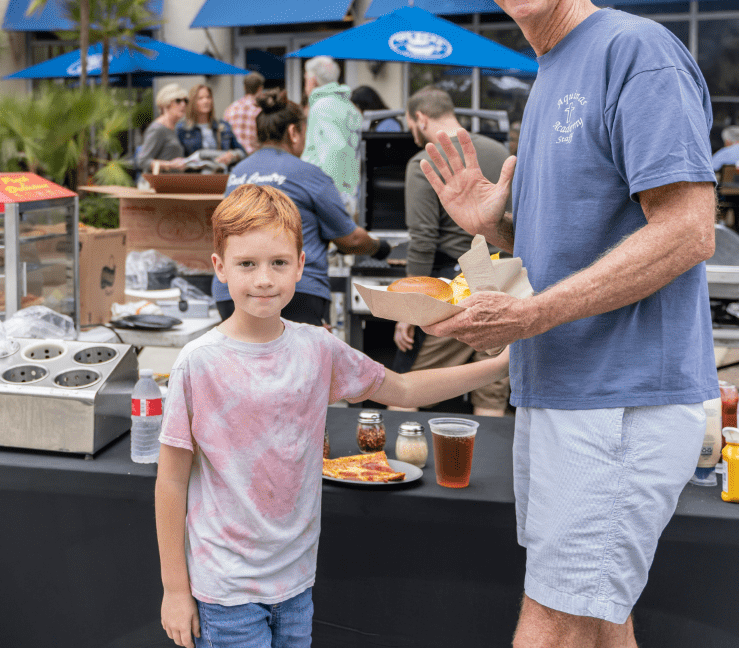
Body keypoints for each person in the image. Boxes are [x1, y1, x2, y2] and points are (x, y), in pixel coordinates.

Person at [422, 0, 717, 647]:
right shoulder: (552, 72)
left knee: (551, 618)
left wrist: (531, 315)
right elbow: (571, 257)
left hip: (618, 402)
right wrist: (493, 233)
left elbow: (687, 232)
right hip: (569, 395)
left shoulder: (634, 51)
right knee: (596, 615)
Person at [155, 183, 509, 648]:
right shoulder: (197, 362)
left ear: (302, 266)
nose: (264, 279)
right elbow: (171, 481)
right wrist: (175, 591)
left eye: (278, 263)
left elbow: (402, 387)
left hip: (297, 584)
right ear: (220, 268)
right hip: (226, 590)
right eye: (247, 264)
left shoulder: (317, 348)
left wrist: (502, 365)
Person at [213, 90, 390, 327]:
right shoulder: (309, 174)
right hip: (295, 294)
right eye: (306, 132)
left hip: (232, 293)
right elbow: (351, 240)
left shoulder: (237, 173)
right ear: (293, 132)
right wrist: (380, 248)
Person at [393, 86, 513, 416]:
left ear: (420, 117)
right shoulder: (499, 151)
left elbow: (423, 239)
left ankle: (396, 467)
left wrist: (407, 310)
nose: (411, 133)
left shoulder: (423, 162)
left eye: (409, 125)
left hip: (456, 287)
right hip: (506, 282)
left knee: (404, 390)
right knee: (490, 394)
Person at [300, 55, 362, 214]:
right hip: (350, 189)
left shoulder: (322, 106)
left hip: (331, 194)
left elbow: (335, 149)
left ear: (312, 80)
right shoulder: (348, 106)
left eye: (305, 78)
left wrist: (325, 197)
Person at [176, 83, 245, 168]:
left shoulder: (223, 126)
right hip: (194, 176)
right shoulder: (183, 129)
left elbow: (242, 152)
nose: (206, 101)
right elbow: (179, 160)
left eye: (208, 97)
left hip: (221, 175)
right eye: (200, 98)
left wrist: (233, 155)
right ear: (192, 102)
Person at [139, 83, 189, 172]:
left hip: (170, 184)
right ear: (166, 103)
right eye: (178, 100)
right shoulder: (157, 129)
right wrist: (169, 165)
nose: (183, 104)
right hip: (157, 184)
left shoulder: (173, 128)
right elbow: (142, 161)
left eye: (185, 100)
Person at [223, 71, 264, 155]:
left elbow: (224, 134)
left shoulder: (231, 108)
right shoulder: (260, 111)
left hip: (234, 157)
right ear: (260, 88)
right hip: (253, 158)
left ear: (244, 87)